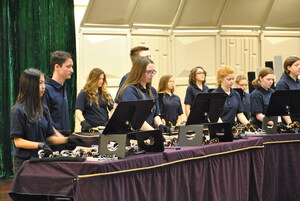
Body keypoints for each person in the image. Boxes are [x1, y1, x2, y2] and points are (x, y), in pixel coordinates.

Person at [10, 68, 85, 174]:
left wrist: (68, 140)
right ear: (29, 85)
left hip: (42, 161)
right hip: (25, 163)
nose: (43, 87)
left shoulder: (43, 109)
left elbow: (49, 138)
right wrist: (39, 145)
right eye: (40, 83)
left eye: (44, 83)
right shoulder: (18, 110)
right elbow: (18, 141)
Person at [117, 57, 170, 133]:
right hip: (134, 136)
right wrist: (155, 133)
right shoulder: (130, 90)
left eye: (153, 72)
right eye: (148, 72)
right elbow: (136, 120)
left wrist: (160, 125)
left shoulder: (152, 91)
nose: (151, 75)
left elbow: (156, 114)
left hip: (148, 133)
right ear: (139, 72)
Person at [43, 51, 74, 135]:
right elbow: (44, 120)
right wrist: (61, 138)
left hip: (64, 136)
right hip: (53, 139)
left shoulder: (63, 87)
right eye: (68, 67)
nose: (72, 70)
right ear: (57, 67)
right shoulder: (46, 89)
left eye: (72, 67)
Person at [276, 56, 300, 123]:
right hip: (290, 120)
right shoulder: (282, 84)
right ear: (289, 67)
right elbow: (282, 107)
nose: (299, 67)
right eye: (296, 65)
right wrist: (290, 124)